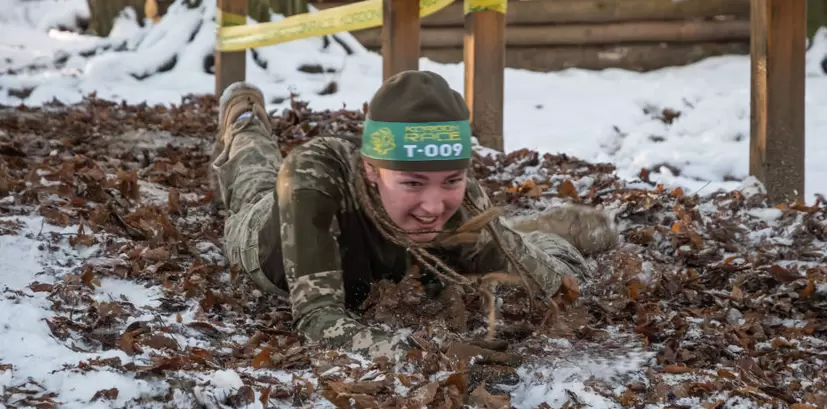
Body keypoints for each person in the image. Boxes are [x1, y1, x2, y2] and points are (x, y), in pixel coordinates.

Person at [209, 70, 617, 360]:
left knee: (486, 235)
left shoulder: (461, 199)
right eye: (413, 183)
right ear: (371, 170)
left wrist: (563, 260)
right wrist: (429, 357)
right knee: (255, 181)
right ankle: (245, 121)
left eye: (452, 180)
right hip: (269, 229)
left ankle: (537, 227)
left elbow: (554, 283)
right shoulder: (313, 179)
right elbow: (318, 319)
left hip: (403, 247)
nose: (434, 205)